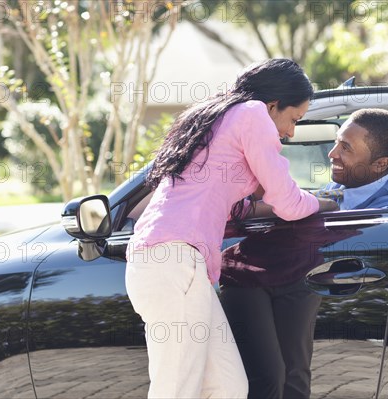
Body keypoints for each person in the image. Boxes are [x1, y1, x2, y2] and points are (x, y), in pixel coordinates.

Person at [125, 59, 338, 399]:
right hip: (172, 260)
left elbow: (235, 207)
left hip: (175, 261)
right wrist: (325, 201)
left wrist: (297, 199)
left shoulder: (220, 118)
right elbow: (289, 203)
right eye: (294, 119)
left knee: (228, 387)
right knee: (177, 389)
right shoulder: (253, 114)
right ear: (273, 105)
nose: (291, 133)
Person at [219, 108, 388, 399]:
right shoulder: (344, 183)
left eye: (345, 147)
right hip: (293, 287)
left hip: (323, 287)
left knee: (287, 376)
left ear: (379, 164)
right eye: (336, 141)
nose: (332, 153)